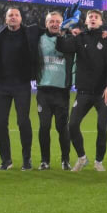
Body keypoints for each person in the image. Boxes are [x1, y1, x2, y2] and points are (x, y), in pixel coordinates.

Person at [64, 9, 107, 172]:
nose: (93, 19)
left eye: (96, 17)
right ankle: (82, 158)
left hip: (103, 92)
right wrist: (66, 31)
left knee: (102, 127)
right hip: (83, 92)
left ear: (101, 22)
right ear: (86, 21)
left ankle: (99, 161)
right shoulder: (79, 38)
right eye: (90, 17)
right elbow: (63, 47)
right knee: (72, 125)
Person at [0, 7, 39, 171]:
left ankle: (27, 159)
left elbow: (50, 29)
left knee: (23, 122)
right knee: (0, 123)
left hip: (22, 84)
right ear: (5, 19)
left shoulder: (30, 33)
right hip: (2, 85)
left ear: (21, 18)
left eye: (16, 15)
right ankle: (6, 160)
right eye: (10, 15)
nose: (13, 17)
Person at [34, 10, 75, 170]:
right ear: (46, 24)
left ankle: (65, 160)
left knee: (61, 127)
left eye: (58, 21)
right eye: (51, 21)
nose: (54, 24)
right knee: (44, 126)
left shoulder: (68, 39)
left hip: (61, 91)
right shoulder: (38, 39)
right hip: (44, 90)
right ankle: (45, 161)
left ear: (62, 23)